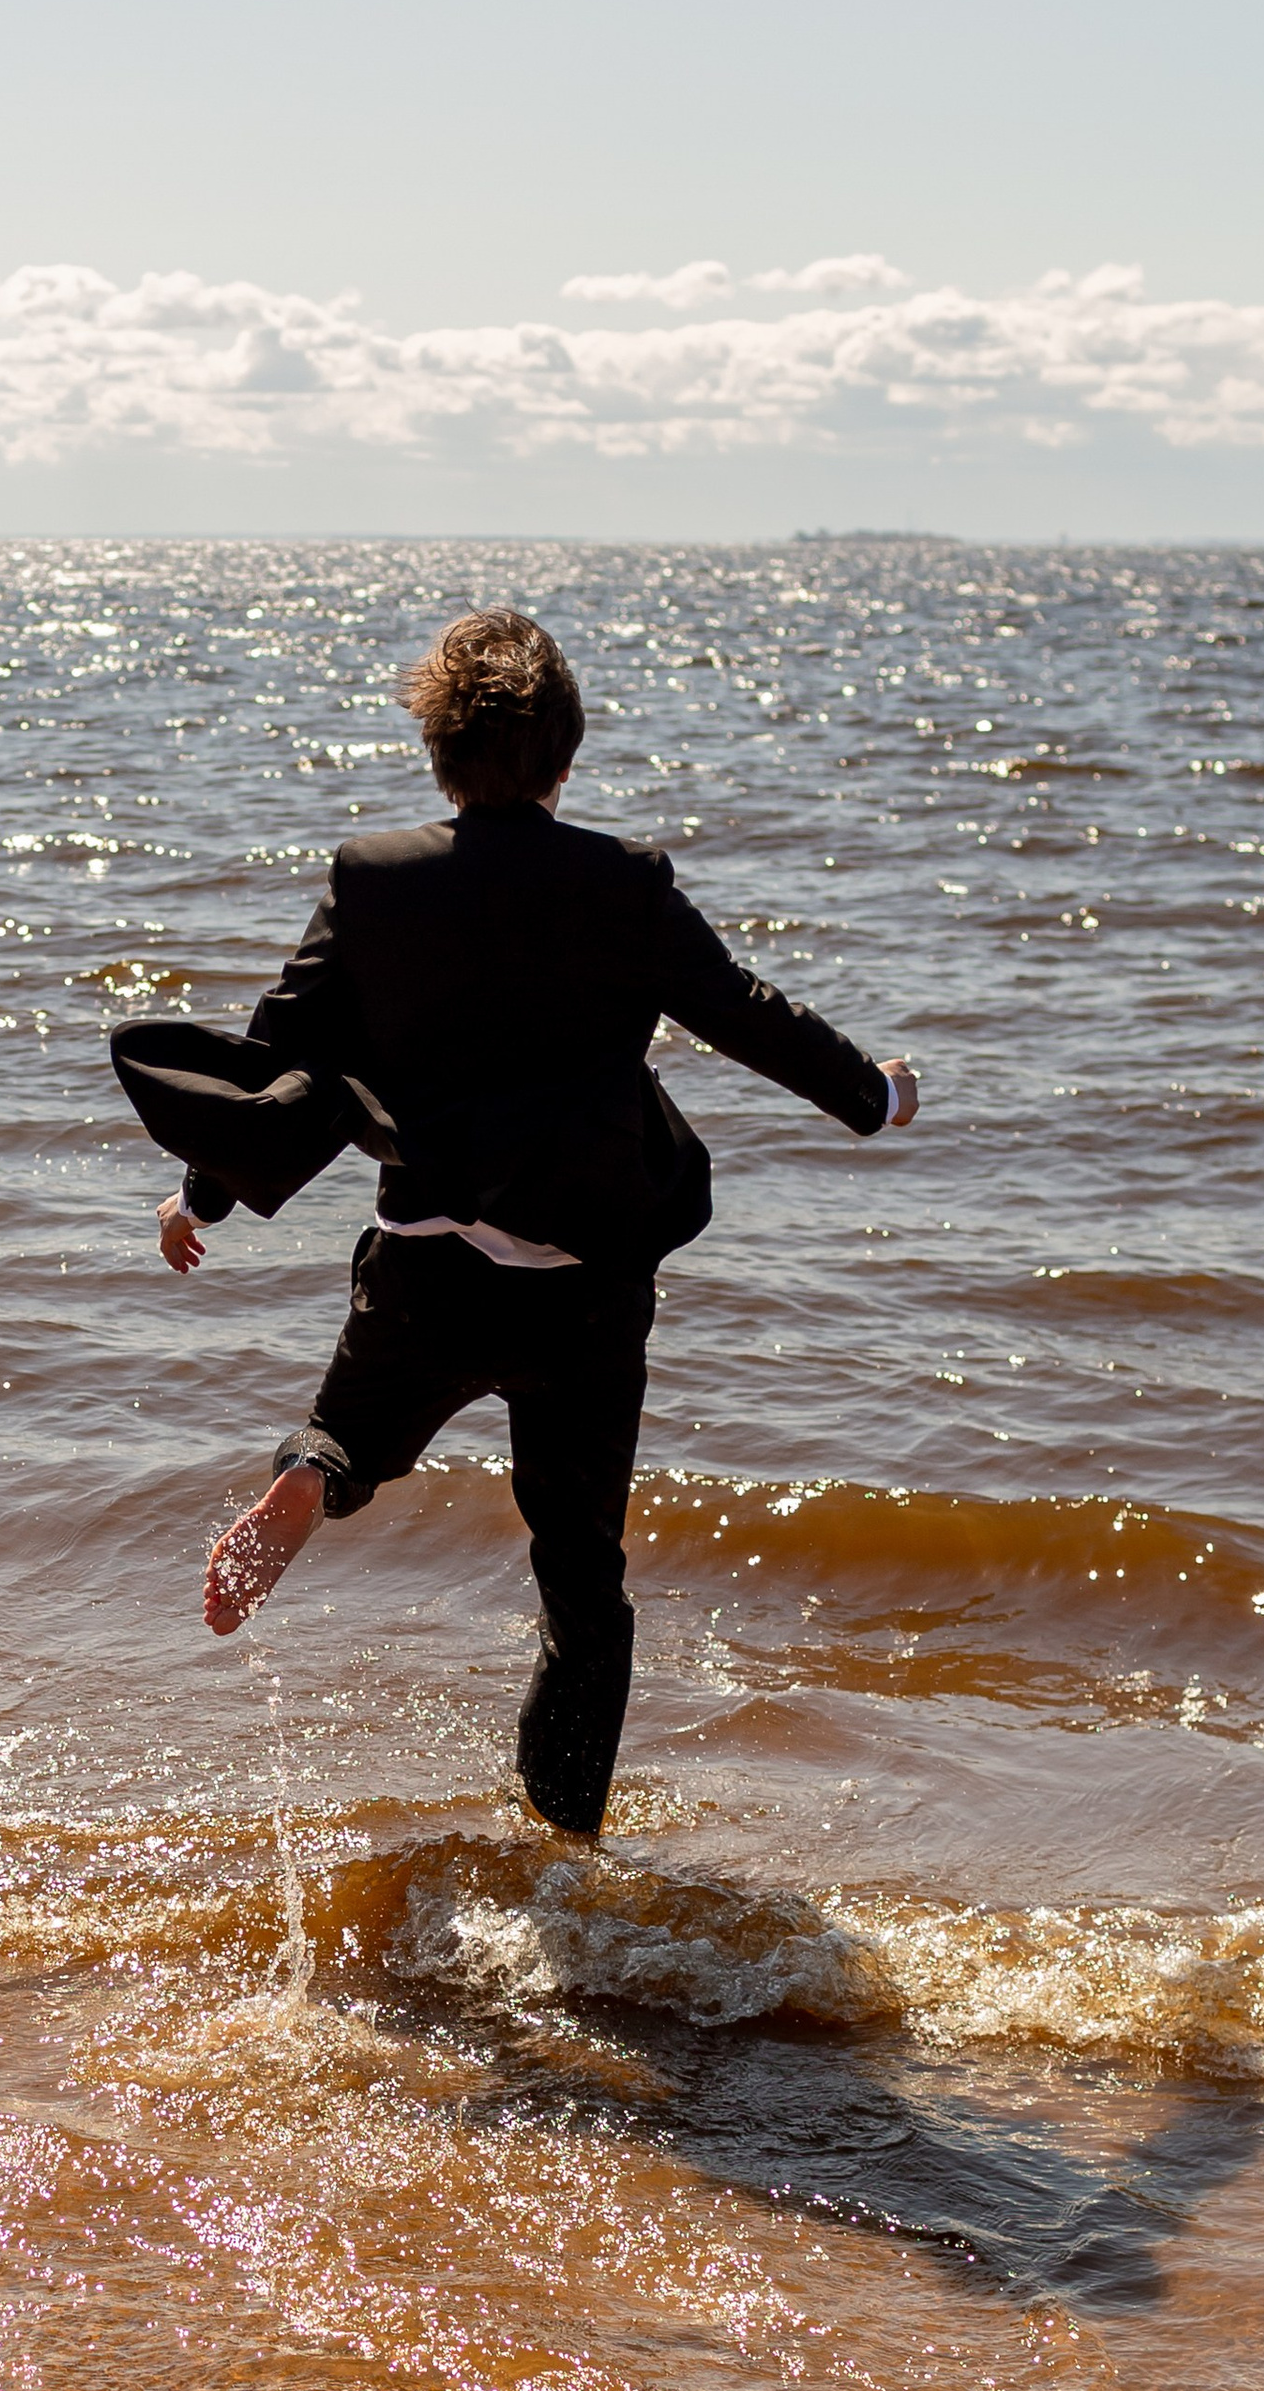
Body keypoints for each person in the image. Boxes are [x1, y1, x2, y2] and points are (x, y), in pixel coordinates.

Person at [124, 609, 918, 1841]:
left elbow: (278, 1056)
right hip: (582, 1284)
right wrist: (870, 1094)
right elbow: (741, 1010)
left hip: (426, 1259)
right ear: (565, 755)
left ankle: (311, 1477)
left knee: (351, 1428)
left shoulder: (371, 879)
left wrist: (203, 1192)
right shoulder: (623, 882)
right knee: (582, 1588)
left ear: (437, 751)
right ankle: (563, 1850)